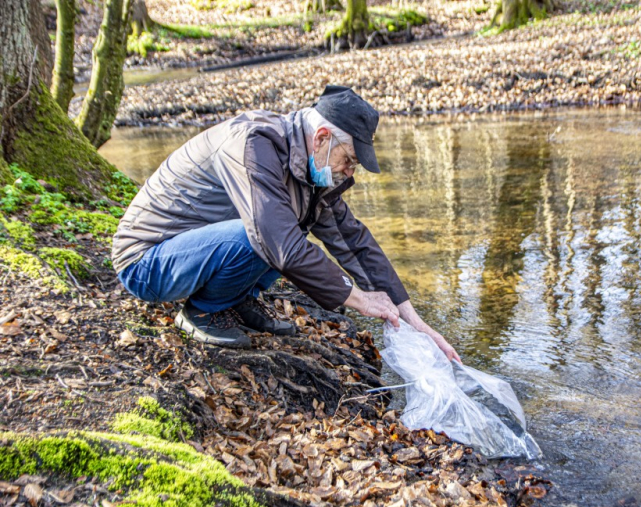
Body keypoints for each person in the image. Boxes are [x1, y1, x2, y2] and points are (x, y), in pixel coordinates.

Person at [112, 85, 460, 361]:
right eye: (349, 160)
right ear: (322, 137)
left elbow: (353, 241)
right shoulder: (253, 144)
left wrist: (411, 316)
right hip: (148, 262)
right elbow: (276, 240)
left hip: (193, 252)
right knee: (272, 234)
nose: (349, 172)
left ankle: (234, 299)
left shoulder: (308, 166)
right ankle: (202, 312)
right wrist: (358, 299)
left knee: (294, 223)